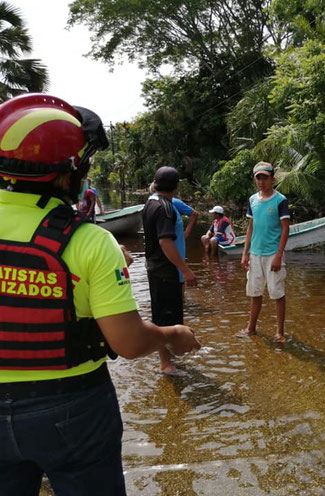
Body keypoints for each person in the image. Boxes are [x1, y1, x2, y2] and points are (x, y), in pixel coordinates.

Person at [0, 94, 200, 494]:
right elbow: (127, 343)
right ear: (67, 174)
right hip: (71, 405)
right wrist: (171, 335)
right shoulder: (89, 241)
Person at [143, 167, 198, 374]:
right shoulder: (165, 208)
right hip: (166, 270)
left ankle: (170, 358)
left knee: (164, 316)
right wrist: (185, 270)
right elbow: (165, 242)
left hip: (156, 268)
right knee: (167, 319)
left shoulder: (150, 203)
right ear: (177, 186)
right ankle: (166, 364)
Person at [237, 162, 290, 342]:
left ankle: (280, 332)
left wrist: (278, 255)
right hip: (255, 253)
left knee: (277, 292)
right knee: (254, 291)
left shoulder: (280, 200)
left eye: (265, 177)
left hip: (273, 254)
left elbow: (285, 229)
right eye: (258, 178)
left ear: (272, 179)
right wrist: (245, 253)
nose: (261, 181)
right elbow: (250, 227)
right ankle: (251, 328)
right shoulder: (253, 200)